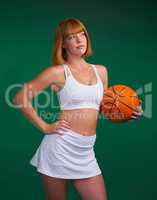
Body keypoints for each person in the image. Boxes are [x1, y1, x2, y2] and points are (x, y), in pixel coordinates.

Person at [13, 18, 143, 200]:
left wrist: (128, 113)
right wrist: (45, 127)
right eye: (72, 37)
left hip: (86, 150)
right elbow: (20, 98)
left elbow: (104, 109)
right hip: (60, 149)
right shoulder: (57, 72)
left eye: (82, 34)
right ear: (63, 44)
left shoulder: (101, 71)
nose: (79, 40)